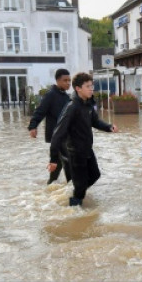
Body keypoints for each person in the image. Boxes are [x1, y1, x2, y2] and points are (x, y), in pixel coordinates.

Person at [50, 72, 118, 206]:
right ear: (78, 88)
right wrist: (53, 159)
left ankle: (75, 192)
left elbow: (95, 121)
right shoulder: (72, 107)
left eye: (92, 86)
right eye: (88, 86)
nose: (91, 89)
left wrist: (109, 127)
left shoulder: (88, 104)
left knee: (95, 175)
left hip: (87, 149)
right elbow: (57, 134)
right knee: (80, 188)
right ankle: (73, 209)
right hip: (75, 152)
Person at [29, 69, 72, 184]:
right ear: (57, 81)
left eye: (69, 80)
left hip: (65, 137)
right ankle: (74, 194)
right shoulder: (51, 95)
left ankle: (50, 189)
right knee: (69, 165)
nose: (68, 83)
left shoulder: (67, 97)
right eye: (65, 80)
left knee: (56, 168)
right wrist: (33, 126)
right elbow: (40, 111)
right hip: (57, 137)